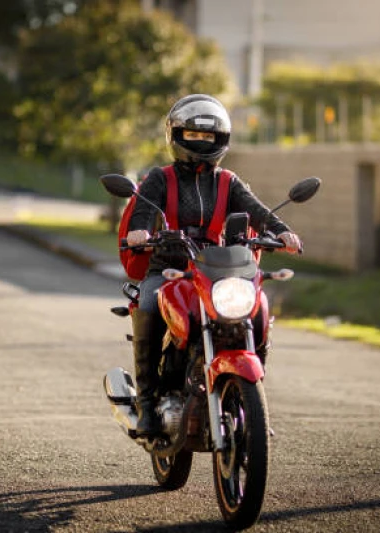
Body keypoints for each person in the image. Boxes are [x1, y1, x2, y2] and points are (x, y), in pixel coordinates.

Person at [125, 94, 302, 436]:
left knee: (257, 308)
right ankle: (147, 404)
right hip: (168, 269)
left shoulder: (228, 181)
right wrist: (140, 231)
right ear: (177, 136)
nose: (201, 142)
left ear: (221, 140)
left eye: (208, 136)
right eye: (193, 135)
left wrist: (282, 231)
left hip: (214, 270)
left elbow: (257, 211)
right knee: (147, 302)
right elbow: (144, 211)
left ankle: (253, 404)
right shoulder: (160, 179)